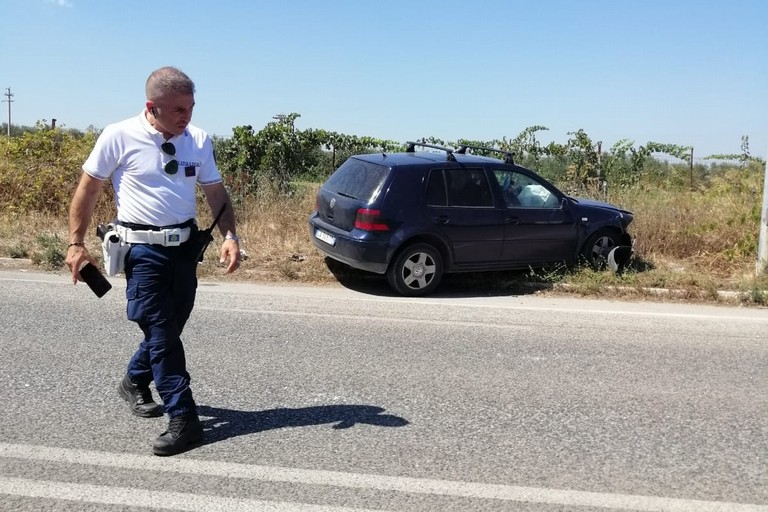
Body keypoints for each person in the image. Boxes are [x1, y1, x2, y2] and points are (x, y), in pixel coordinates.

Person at [65, 66, 241, 456]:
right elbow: (88, 190)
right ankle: (184, 417)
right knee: (162, 334)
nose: (186, 116)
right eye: (177, 109)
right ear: (151, 107)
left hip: (184, 249)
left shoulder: (198, 140)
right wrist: (76, 243)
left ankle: (133, 381)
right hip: (142, 252)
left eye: (191, 107)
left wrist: (231, 236)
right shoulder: (118, 135)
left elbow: (216, 193)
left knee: (170, 327)